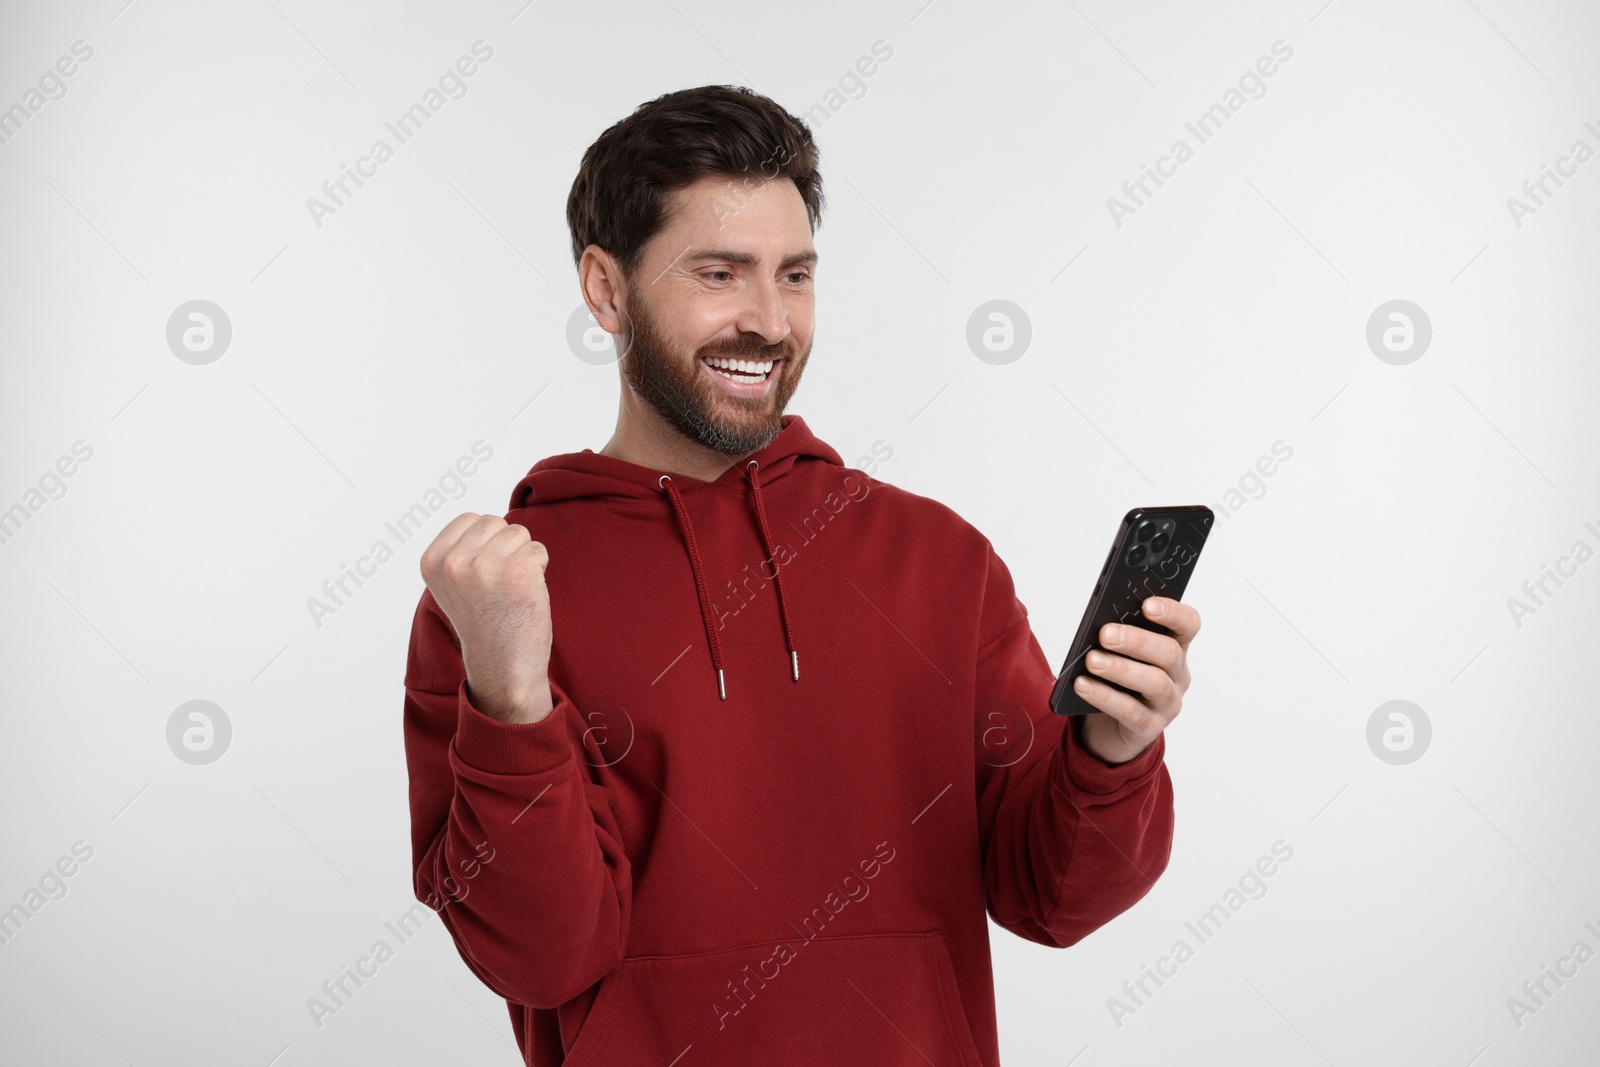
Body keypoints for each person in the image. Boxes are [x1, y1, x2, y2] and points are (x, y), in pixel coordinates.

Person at [401, 84, 1197, 1066]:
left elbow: (1052, 895)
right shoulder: (499, 601)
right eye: (720, 272)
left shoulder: (939, 560)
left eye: (795, 274)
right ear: (606, 288)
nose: (769, 322)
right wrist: (511, 696)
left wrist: (1113, 754)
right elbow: (540, 954)